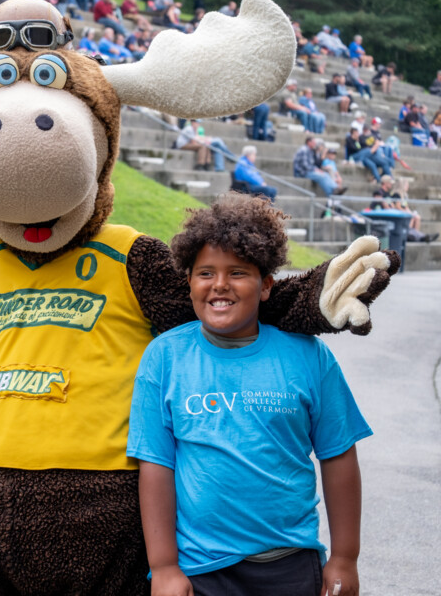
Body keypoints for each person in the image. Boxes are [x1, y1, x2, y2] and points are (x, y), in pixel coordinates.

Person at [128, 194, 371, 596]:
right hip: (201, 568)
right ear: (189, 281)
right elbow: (155, 465)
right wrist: (165, 566)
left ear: (266, 286)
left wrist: (345, 558)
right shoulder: (164, 357)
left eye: (237, 272)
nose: (219, 284)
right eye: (205, 272)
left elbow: (339, 454)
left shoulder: (309, 356)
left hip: (290, 563)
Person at [370, 176, 437, 242]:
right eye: (390, 183)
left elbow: (392, 206)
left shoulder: (388, 194)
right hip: (384, 218)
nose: (391, 184)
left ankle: (422, 237)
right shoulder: (379, 193)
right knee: (410, 219)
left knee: (413, 218)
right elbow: (387, 206)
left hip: (390, 216)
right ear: (385, 183)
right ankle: (421, 237)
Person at [294, 136, 343, 211]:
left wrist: (316, 169)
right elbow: (305, 166)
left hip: (308, 170)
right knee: (322, 176)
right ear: (309, 142)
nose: (315, 144)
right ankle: (332, 193)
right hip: (302, 172)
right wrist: (316, 170)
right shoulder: (304, 150)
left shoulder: (310, 150)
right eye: (313, 142)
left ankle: (335, 189)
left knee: (325, 174)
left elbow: (313, 164)